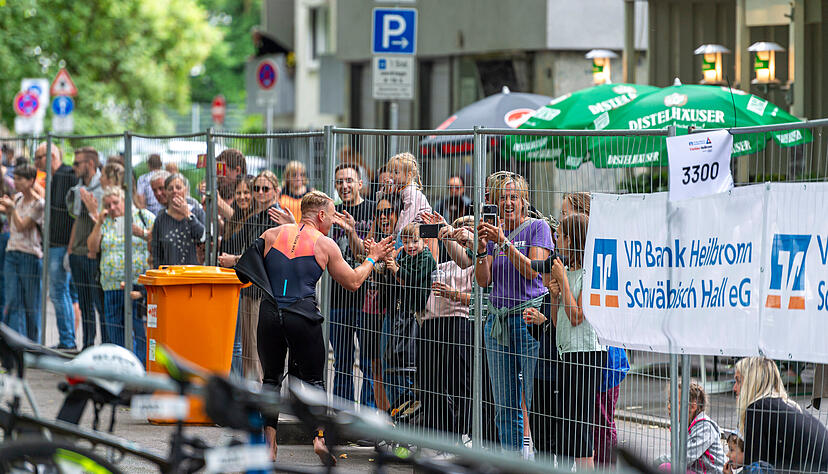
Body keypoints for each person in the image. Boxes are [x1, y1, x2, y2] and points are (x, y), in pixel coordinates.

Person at [234, 191, 393, 465]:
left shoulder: (272, 234)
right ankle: (319, 439)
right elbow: (353, 282)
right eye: (331, 217)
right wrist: (372, 257)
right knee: (314, 382)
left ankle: (269, 446)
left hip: (270, 313)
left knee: (270, 380)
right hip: (302, 315)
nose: (332, 222)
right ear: (320, 215)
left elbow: (245, 267)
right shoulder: (325, 244)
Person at [475, 172, 551, 452]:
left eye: (513, 197)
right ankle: (512, 460)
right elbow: (484, 281)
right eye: (502, 198)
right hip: (498, 321)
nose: (508, 203)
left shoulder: (538, 227)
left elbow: (533, 271)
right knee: (504, 405)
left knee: (534, 400)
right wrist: (481, 250)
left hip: (529, 321)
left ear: (524, 201)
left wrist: (504, 242)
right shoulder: (493, 233)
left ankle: (540, 461)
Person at [416, 216, 474, 441]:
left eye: (464, 228)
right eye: (455, 228)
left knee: (459, 382)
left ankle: (463, 433)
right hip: (432, 323)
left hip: (458, 322)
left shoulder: (474, 262)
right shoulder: (441, 265)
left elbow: (478, 299)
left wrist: (454, 294)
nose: (459, 232)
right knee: (430, 383)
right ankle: (437, 435)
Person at [87, 186, 154, 364]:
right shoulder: (106, 222)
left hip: (137, 285)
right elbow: (92, 249)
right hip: (111, 286)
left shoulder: (143, 216)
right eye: (108, 205)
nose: (112, 207)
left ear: (124, 201)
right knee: (115, 330)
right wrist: (98, 223)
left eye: (116, 202)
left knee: (139, 331)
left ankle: (140, 366)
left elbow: (157, 238)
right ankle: (121, 367)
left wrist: (142, 233)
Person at [328, 163, 376, 406]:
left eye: (349, 180)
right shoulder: (331, 213)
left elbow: (364, 256)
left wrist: (352, 232)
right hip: (338, 299)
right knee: (342, 362)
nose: (344, 186)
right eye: (339, 181)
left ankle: (367, 418)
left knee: (368, 362)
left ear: (360, 183)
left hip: (368, 299)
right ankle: (342, 416)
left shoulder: (374, 210)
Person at [379, 222, 436, 416]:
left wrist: (396, 269)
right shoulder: (405, 255)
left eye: (414, 241)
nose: (410, 246)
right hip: (403, 310)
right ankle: (398, 409)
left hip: (418, 311)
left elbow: (412, 278)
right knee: (394, 360)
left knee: (408, 361)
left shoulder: (426, 258)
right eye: (406, 242)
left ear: (425, 242)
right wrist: (390, 262)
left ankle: (410, 408)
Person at [734, 357, 828, 472]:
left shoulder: (757, 409)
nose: (734, 388)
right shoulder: (785, 406)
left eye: (738, 381)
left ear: (751, 382)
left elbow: (755, 467)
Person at [34, 143, 77, 350]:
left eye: (38, 158)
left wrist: (70, 246)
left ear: (50, 156)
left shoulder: (67, 175)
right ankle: (66, 339)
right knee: (60, 292)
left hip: (62, 244)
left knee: (59, 292)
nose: (36, 162)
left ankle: (68, 341)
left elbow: (72, 213)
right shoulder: (53, 178)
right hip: (54, 244)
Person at [66, 147, 106, 348]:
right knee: (84, 303)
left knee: (100, 305)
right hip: (78, 253)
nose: (74, 167)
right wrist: (70, 250)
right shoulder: (78, 188)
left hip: (94, 255)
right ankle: (87, 345)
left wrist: (93, 209)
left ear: (90, 164)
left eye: (77, 163)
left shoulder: (103, 188)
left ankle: (106, 347)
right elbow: (76, 220)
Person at [0, 164, 44, 342]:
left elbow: (21, 226)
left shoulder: (38, 204)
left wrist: (11, 209)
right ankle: (14, 345)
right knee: (12, 301)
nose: (16, 182)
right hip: (12, 252)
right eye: (15, 178)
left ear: (31, 181)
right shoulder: (17, 198)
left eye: (20, 179)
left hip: (29, 256)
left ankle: (33, 345)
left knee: (31, 305)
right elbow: (12, 222)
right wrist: (8, 208)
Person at [217, 177, 254, 378]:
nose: (242, 196)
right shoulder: (235, 219)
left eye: (246, 192)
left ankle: (238, 384)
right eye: (239, 193)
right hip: (229, 283)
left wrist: (233, 259)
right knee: (230, 339)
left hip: (243, 284)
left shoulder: (253, 220)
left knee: (238, 343)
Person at [657, 381, 726, 474]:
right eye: (669, 401)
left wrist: (661, 460)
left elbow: (684, 459)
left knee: (665, 468)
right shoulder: (682, 426)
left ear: (692, 406)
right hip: (696, 471)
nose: (669, 406)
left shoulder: (705, 428)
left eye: (674, 402)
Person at [150, 174, 205, 267]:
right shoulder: (161, 219)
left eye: (178, 188)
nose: (174, 191)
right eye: (170, 189)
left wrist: (188, 215)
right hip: (169, 273)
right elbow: (156, 252)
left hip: (194, 272)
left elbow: (203, 236)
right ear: (166, 192)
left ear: (185, 190)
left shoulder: (197, 212)